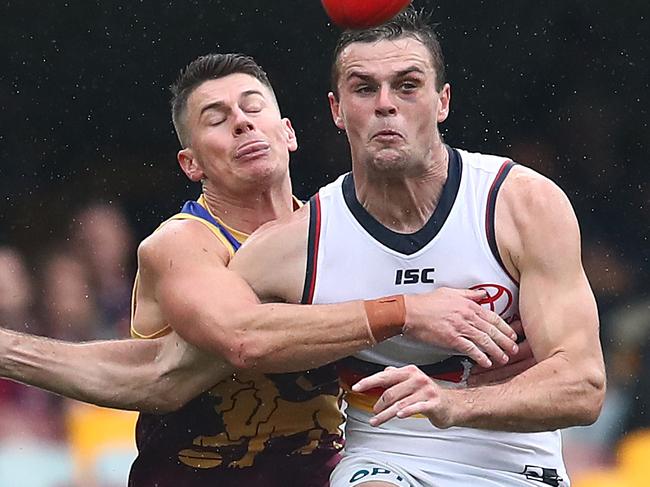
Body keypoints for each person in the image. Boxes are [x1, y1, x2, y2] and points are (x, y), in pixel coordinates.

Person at [0, 51, 519, 486]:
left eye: (253, 107)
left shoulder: (337, 231)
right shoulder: (181, 243)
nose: (242, 122)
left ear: (288, 132)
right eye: (216, 118)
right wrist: (403, 311)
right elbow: (242, 339)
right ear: (191, 164)